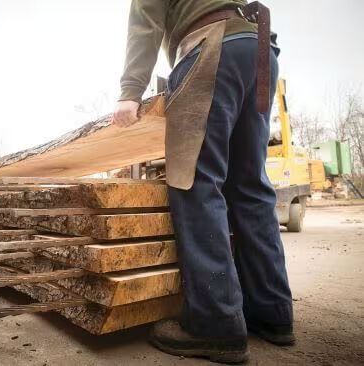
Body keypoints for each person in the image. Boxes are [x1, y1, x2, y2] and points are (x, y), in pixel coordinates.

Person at [112, 0, 294, 363]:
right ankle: (272, 314)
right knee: (250, 186)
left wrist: (130, 91)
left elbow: (145, 19)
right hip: (256, 50)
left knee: (194, 180)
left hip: (212, 49)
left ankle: (216, 324)